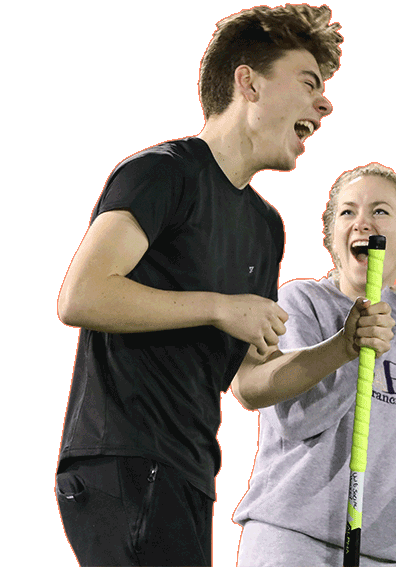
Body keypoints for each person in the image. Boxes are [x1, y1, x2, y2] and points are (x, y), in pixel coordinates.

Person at [55, 6, 343, 567]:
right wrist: (220, 307)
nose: (325, 103)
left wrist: (343, 346)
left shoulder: (265, 227)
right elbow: (82, 294)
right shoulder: (164, 172)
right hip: (124, 461)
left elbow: (251, 383)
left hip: (189, 475)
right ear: (248, 81)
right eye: (309, 82)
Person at [233, 164, 396, 566]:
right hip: (291, 539)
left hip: (383, 552)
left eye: (380, 211)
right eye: (347, 212)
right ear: (332, 235)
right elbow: (299, 418)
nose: (362, 222)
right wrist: (362, 343)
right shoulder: (300, 302)